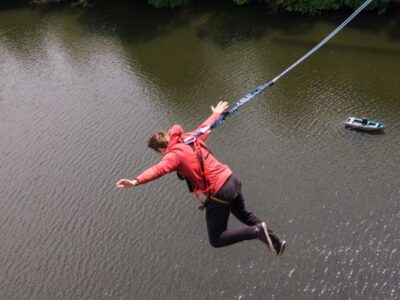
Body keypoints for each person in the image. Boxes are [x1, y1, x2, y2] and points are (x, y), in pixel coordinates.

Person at [116, 101, 286, 255]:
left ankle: (256, 232)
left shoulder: (173, 155)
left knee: (217, 239)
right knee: (244, 215)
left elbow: (158, 170)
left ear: (160, 150)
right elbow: (207, 126)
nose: (161, 157)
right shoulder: (189, 137)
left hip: (219, 191)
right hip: (231, 179)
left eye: (159, 154)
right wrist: (216, 113)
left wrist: (135, 181)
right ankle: (277, 241)